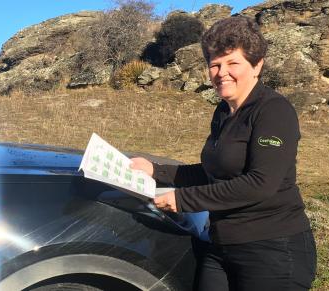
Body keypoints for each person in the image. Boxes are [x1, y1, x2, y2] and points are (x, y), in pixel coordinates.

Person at [130, 16, 317, 291]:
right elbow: (212, 173)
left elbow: (260, 184)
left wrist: (182, 200)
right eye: (214, 64)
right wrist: (154, 170)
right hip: (221, 245)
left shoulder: (274, 111)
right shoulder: (223, 112)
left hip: (272, 250)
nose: (221, 72)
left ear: (257, 65)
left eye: (232, 63)